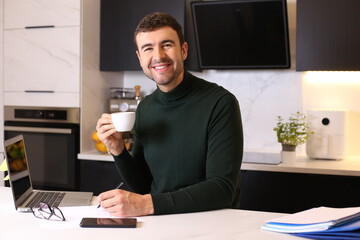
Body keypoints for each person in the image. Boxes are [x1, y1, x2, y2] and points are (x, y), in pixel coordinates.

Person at [96, 12, 243, 217]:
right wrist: (118, 150)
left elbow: (222, 189)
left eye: (167, 45)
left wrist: (147, 204)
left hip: (209, 224)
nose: (158, 56)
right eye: (148, 48)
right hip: (159, 221)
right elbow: (142, 185)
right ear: (140, 58)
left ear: (183, 50)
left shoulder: (220, 103)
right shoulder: (146, 107)